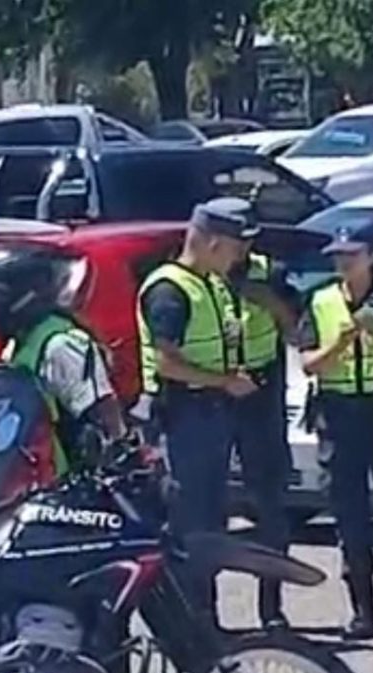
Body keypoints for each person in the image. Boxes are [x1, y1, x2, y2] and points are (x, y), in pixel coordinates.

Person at [136, 198, 260, 621]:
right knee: (188, 526)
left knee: (210, 524)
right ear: (209, 243)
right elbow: (167, 361)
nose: (239, 256)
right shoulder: (170, 291)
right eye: (233, 246)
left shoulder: (211, 282)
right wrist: (225, 380)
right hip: (183, 417)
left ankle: (206, 619)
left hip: (212, 416)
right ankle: (187, 623)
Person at [0, 241, 126, 477]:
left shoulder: (60, 345)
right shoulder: (21, 342)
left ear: (16, 301)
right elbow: (16, 397)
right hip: (32, 485)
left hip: (67, 490)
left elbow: (107, 419)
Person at [299, 222, 373, 639]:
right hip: (340, 412)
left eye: (352, 254)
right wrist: (340, 344)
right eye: (338, 256)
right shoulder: (321, 300)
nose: (343, 262)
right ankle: (363, 611)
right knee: (349, 516)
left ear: (371, 257)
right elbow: (308, 362)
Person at [223, 236, 300, 627]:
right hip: (212, 393)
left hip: (260, 394)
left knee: (269, 505)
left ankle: (271, 608)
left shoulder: (272, 273)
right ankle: (205, 613)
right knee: (206, 509)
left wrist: (270, 302)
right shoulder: (197, 272)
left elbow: (298, 335)